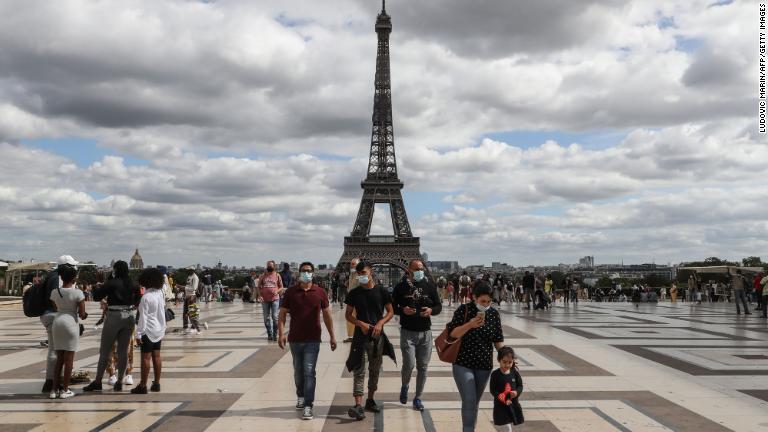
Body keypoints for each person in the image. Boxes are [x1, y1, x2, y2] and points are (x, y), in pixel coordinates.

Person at [278, 262, 338, 420]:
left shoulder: (320, 292)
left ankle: (308, 405)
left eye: (309, 271)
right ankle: (301, 395)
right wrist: (281, 334)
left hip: (313, 339)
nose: (307, 273)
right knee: (298, 372)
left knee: (309, 372)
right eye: (304, 271)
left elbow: (327, 315)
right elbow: (282, 314)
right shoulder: (291, 292)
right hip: (295, 339)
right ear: (299, 273)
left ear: (313, 273)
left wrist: (332, 335)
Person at [447, 280, 504, 432]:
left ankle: (470, 427)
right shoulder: (463, 310)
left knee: (474, 402)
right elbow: (452, 333)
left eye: (489, 301)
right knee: (469, 399)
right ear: (474, 298)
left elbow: (498, 339)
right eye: (482, 301)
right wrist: (470, 325)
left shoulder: (493, 314)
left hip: (484, 365)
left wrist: (505, 356)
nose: (485, 305)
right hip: (462, 363)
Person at [344, 260, 395, 421]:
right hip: (360, 336)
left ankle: (370, 400)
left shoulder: (382, 291)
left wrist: (380, 322)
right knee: (359, 370)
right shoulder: (354, 293)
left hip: (376, 337)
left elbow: (390, 312)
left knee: (374, 370)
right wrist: (360, 323)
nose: (361, 276)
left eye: (363, 273)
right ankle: (358, 405)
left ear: (370, 272)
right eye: (359, 274)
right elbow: (348, 315)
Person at [84, 261, 142, 392]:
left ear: (115, 270)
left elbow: (97, 297)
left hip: (114, 316)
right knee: (123, 351)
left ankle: (98, 381)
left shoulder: (111, 283)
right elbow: (138, 300)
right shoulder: (133, 284)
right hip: (128, 316)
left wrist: (96, 286)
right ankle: (120, 381)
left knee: (105, 350)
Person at [392, 259, 442, 411]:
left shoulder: (429, 286)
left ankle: (418, 398)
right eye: (417, 268)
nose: (421, 270)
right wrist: (402, 311)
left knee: (423, 367)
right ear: (409, 270)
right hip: (408, 332)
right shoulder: (401, 287)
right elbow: (392, 307)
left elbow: (438, 305)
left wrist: (431, 311)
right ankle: (405, 385)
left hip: (425, 333)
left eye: (422, 268)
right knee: (408, 365)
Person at [39, 256, 79, 393]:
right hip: (54, 315)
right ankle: (51, 382)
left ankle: (54, 381)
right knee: (55, 350)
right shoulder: (59, 278)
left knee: (56, 350)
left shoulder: (51, 275)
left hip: (48, 314)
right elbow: (56, 300)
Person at [49, 263, 87, 399]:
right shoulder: (78, 293)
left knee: (59, 358)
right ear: (74, 278)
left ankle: (54, 390)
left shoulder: (54, 292)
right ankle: (65, 389)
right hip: (70, 324)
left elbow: (55, 307)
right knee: (69, 359)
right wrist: (83, 314)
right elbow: (82, 313)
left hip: (57, 323)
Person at [130, 268, 166, 394]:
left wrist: (138, 334)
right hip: (159, 329)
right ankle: (156, 383)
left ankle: (143, 385)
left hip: (148, 330)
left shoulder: (146, 297)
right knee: (157, 356)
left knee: (145, 358)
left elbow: (142, 318)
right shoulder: (160, 294)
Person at [489, 346, 524, 431]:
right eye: (504, 362)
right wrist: (501, 396)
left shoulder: (514, 373)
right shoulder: (495, 374)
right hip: (501, 405)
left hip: (513, 403)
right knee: (506, 425)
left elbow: (520, 386)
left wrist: (516, 392)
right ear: (499, 360)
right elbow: (492, 390)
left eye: (510, 362)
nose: (507, 365)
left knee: (509, 423)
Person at [258, 260, 285, 341]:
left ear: (274, 266)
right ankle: (269, 333)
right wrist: (260, 296)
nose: (269, 267)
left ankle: (275, 334)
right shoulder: (263, 276)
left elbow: (281, 286)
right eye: (268, 265)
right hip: (265, 299)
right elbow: (259, 287)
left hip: (275, 299)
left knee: (275, 316)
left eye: (271, 265)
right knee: (266, 317)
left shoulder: (277, 275)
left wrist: (277, 291)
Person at [343, 258, 360, 343]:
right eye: (351, 264)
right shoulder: (351, 275)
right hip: (350, 300)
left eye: (354, 264)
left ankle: (358, 336)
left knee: (359, 318)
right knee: (349, 319)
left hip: (358, 300)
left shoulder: (360, 275)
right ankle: (351, 336)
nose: (352, 265)